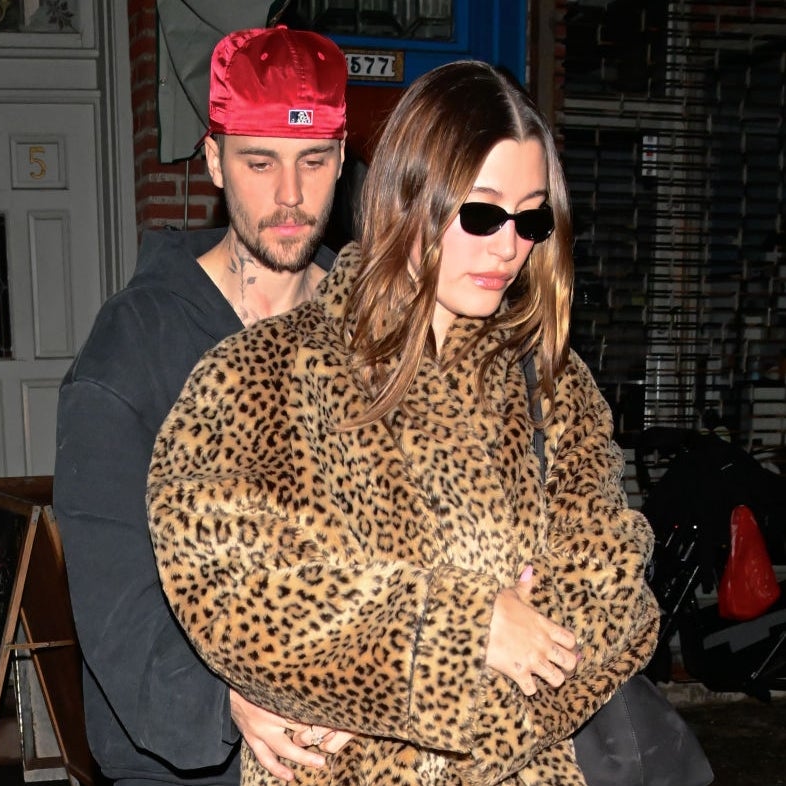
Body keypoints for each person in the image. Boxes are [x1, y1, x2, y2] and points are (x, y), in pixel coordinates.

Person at [147, 61, 660, 785]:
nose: (509, 245)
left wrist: (464, 739)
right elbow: (241, 600)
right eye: (481, 213)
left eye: (532, 216)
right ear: (409, 198)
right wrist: (468, 626)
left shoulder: (553, 384)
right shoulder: (261, 376)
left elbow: (615, 590)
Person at [54, 26, 353, 786]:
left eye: (313, 160)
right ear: (215, 160)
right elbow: (116, 604)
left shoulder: (373, 333)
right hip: (193, 769)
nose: (290, 195)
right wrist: (223, 703)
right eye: (261, 162)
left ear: (342, 160)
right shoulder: (135, 345)